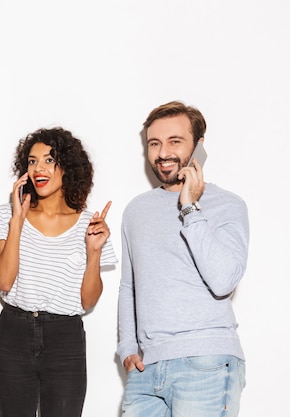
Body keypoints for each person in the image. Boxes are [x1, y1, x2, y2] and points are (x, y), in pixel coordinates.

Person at [118, 101, 248, 416]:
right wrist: (127, 349)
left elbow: (224, 281)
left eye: (175, 141)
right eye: (154, 143)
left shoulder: (228, 205)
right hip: (147, 368)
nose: (163, 153)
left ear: (198, 147)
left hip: (207, 362)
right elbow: (129, 286)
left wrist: (189, 207)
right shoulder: (136, 210)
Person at [0, 127, 117, 417]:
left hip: (65, 337)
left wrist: (94, 251)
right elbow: (4, 281)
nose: (39, 168)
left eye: (49, 160)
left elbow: (88, 301)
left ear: (68, 167)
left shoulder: (88, 222)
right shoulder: (7, 214)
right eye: (32, 161)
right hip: (14, 333)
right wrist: (17, 220)